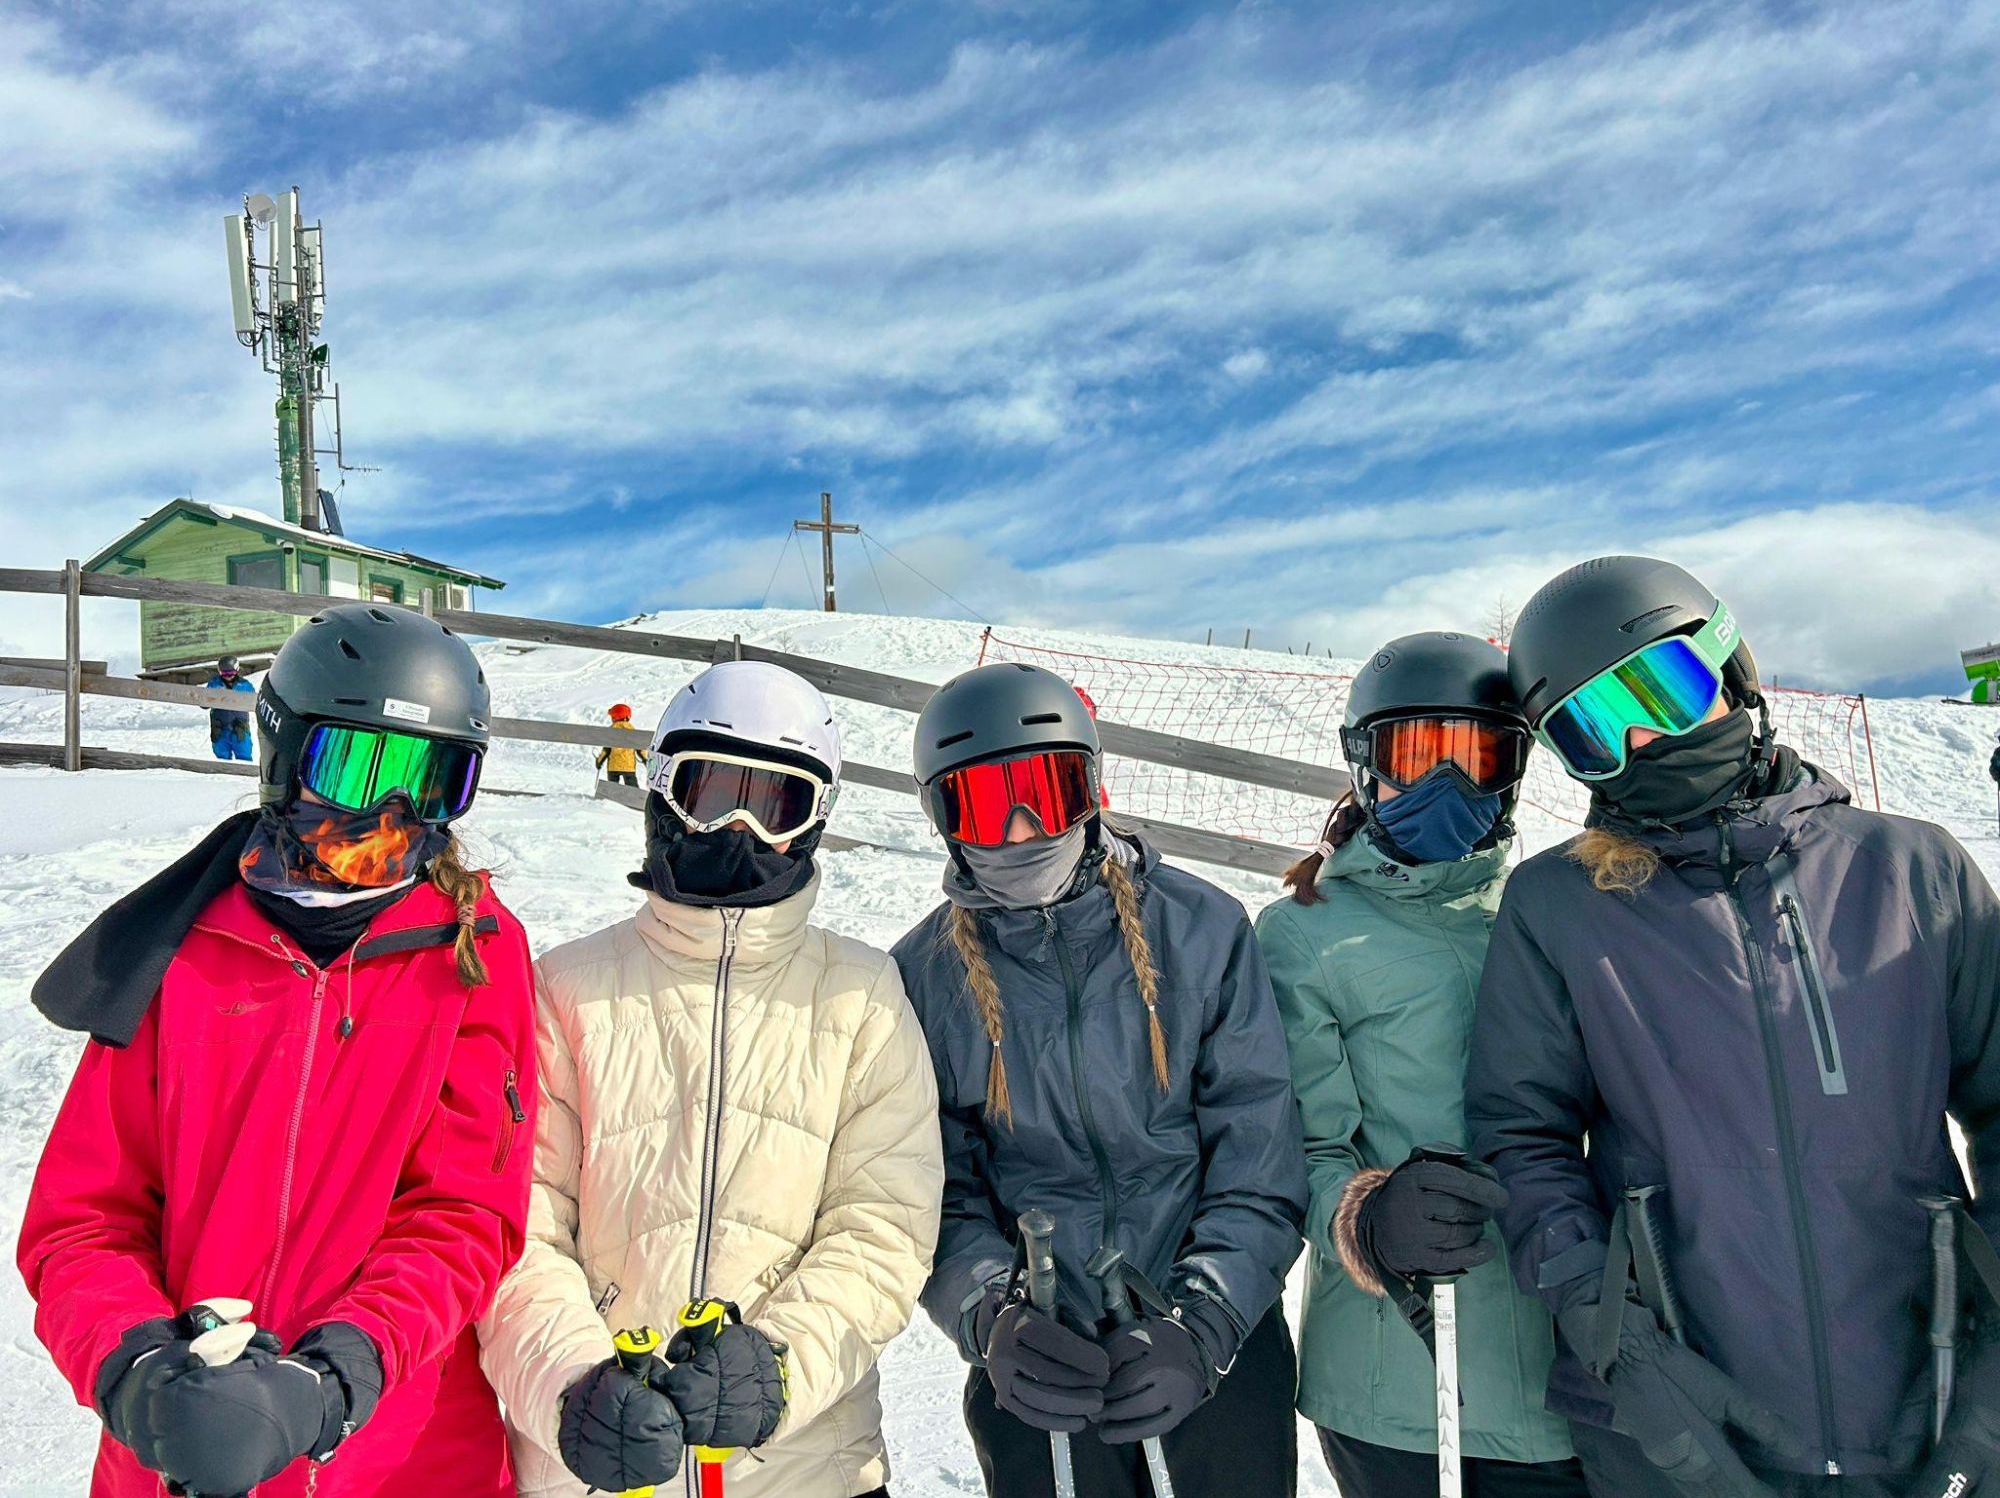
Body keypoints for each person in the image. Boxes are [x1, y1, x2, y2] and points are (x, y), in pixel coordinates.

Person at [1464, 556, 2000, 1498]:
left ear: (1731, 668)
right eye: (1593, 732)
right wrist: (1612, 1333)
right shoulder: (1560, 906)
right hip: (1683, 1423)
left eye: (1661, 692)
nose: (1642, 740)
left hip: (1930, 1393)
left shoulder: (1913, 872)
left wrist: (1990, 1395)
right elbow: (1520, 1134)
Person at [18, 603, 538, 1497]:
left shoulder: (474, 953)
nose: (390, 813)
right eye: (356, 766)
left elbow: (464, 1214)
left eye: (431, 780)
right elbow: (85, 1217)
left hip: (400, 1458)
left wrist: (341, 1375)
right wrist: (137, 1370)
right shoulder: (182, 949)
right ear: (284, 755)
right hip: (179, 1445)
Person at [477, 659, 943, 1498]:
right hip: (599, 1462)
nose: (738, 828)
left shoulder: (859, 995)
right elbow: (518, 1227)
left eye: (776, 806)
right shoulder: (566, 990)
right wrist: (572, 1387)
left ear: (813, 823)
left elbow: (882, 1227)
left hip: (806, 1472)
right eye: (711, 792)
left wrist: (778, 1368)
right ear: (662, 794)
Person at [892, 662, 1309, 1498]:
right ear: (942, 818)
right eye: (983, 804)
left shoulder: (1200, 929)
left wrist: (1205, 1322)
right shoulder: (924, 978)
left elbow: (1258, 1154)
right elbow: (936, 1189)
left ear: (1090, 788)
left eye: (1045, 794)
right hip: (1042, 1355)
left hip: (1210, 1346)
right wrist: (992, 1315)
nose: (1019, 832)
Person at [1259, 632, 1586, 1498]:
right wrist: (1364, 1219)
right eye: (1415, 756)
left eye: (1479, 757)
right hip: (1403, 1381)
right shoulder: (1307, 932)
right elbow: (1297, 1147)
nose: (1448, 784)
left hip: (1573, 1374)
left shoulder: (1552, 910)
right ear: (1365, 765)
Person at [207, 653, 254, 761]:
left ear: (236, 670)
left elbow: (253, 703)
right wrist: (213, 696)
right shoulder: (214, 684)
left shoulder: (245, 685)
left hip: (239, 725)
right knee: (221, 753)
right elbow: (203, 704)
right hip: (220, 725)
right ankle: (223, 771)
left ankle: (244, 770)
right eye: (224, 673)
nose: (228, 676)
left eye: (231, 673)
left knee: (244, 751)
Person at [595, 700, 648, 787]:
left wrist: (599, 761)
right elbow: (640, 749)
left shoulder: (611, 731)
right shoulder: (632, 730)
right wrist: (646, 760)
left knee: (612, 788)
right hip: (628, 767)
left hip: (613, 767)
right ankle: (633, 795)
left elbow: (606, 750)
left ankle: (611, 795)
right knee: (632, 788)